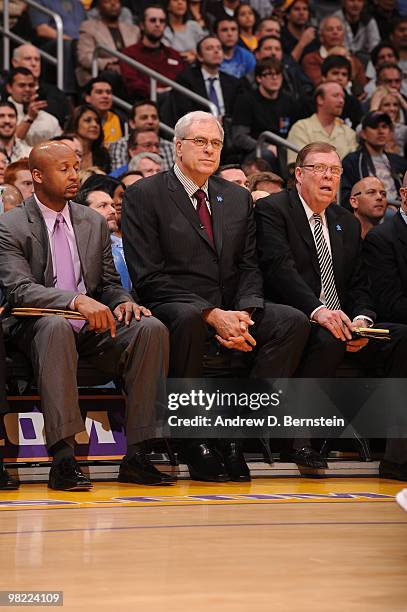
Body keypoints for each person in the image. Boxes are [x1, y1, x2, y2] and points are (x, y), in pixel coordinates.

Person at [121, 110, 310, 482]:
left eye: (216, 143)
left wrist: (244, 313)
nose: (210, 150)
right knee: (189, 319)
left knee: (292, 322)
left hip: (233, 306)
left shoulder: (237, 197)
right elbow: (149, 276)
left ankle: (237, 434)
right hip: (175, 304)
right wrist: (211, 314)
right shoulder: (145, 194)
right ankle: (195, 439)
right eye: (200, 142)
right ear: (177, 147)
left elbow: (250, 265)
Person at [0, 142, 171, 490]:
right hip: (33, 324)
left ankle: (139, 453)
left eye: (75, 167)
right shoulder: (11, 225)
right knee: (54, 326)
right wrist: (76, 301)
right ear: (37, 176)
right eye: (63, 169)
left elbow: (108, 283)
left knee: (149, 328)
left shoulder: (92, 221)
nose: (74, 175)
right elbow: (19, 291)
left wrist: (122, 300)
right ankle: (63, 458)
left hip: (91, 325)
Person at [255, 141, 407, 469]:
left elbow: (358, 285)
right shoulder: (275, 210)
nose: (329, 176)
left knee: (402, 338)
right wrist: (319, 311)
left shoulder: (346, 222)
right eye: (319, 169)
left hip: (343, 319)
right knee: (329, 336)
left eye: (335, 170)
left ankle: (398, 457)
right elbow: (280, 270)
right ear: (299, 174)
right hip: (298, 315)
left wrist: (363, 319)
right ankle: (300, 441)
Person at [341, 110, 407, 208]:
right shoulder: (352, 161)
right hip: (369, 212)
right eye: (374, 127)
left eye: (384, 126)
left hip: (399, 210)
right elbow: (346, 197)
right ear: (363, 133)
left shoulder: (399, 161)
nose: (381, 131)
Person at [119, 4, 186, 99]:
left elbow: (183, 81)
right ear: (142, 25)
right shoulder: (129, 53)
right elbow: (132, 84)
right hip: (144, 102)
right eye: (153, 20)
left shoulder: (174, 55)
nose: (158, 24)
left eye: (162, 21)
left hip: (174, 102)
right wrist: (155, 91)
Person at [286, 81, 357, 164]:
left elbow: (354, 166)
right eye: (335, 96)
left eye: (343, 97)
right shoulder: (301, 128)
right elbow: (298, 165)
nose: (341, 101)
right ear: (320, 99)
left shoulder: (348, 132)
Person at [172, 35, 240, 121]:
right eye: (209, 48)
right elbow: (184, 110)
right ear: (200, 56)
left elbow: (237, 112)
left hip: (228, 128)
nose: (216, 51)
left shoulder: (233, 82)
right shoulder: (186, 79)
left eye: (219, 48)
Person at [76, 0, 140, 88]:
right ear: (99, 7)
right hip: (101, 74)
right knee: (112, 76)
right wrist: (108, 65)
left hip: (130, 73)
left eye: (116, 1)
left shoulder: (133, 30)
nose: (113, 4)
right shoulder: (89, 27)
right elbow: (85, 57)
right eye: (107, 1)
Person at [11, 44, 71, 128]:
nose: (33, 63)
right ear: (15, 62)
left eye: (37, 59)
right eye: (28, 59)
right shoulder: (5, 93)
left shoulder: (56, 94)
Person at [109, 100, 174, 171]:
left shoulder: (170, 147)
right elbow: (118, 177)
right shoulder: (120, 145)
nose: (150, 121)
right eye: (144, 117)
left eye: (154, 117)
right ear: (132, 123)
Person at [5, 68, 62, 147]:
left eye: (31, 85)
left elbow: (59, 148)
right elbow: (7, 144)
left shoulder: (50, 119)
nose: (27, 89)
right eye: (22, 85)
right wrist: (29, 117)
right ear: (9, 88)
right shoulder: (2, 115)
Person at [64, 104, 111, 173]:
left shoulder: (102, 154)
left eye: (97, 121)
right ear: (75, 123)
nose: (95, 125)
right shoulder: (64, 150)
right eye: (88, 120)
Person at [83, 78, 126, 145]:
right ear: (88, 98)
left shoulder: (121, 118)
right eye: (99, 92)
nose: (105, 96)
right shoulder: (80, 119)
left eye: (108, 92)